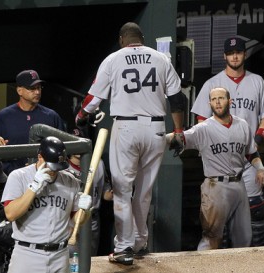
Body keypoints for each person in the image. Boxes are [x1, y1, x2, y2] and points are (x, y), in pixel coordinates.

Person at [74, 22, 185, 265]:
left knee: (123, 190)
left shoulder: (113, 59)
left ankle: (124, 247)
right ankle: (140, 242)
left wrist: (81, 116)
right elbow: (177, 99)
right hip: (156, 128)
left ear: (122, 39)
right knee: (143, 193)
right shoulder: (160, 59)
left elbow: (94, 98)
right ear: (142, 38)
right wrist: (178, 131)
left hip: (125, 127)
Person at [191, 37, 264, 246]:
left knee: (255, 208)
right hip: (220, 161)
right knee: (221, 214)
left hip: (246, 158)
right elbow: (201, 118)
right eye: (230, 53)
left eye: (238, 52)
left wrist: (257, 138)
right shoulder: (212, 84)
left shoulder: (257, 81)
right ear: (224, 56)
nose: (235, 56)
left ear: (244, 54)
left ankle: (255, 258)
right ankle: (223, 261)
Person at [169, 87, 264, 250]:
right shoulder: (204, 128)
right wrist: (157, 139)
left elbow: (251, 152)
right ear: (210, 103)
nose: (217, 102)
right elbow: (180, 139)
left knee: (244, 239)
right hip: (216, 186)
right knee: (212, 237)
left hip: (239, 184)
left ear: (230, 101)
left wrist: (260, 168)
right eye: (214, 99)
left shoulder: (242, 124)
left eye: (221, 98)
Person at [1, 136, 92, 273]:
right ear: (40, 157)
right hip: (28, 256)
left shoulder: (70, 181)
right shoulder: (18, 176)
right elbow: (10, 214)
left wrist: (85, 211)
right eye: (52, 166)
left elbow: (75, 221)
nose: (54, 171)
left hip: (60, 256)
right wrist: (33, 188)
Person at [0, 69, 65, 175]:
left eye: (39, 88)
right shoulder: (5, 116)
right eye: (32, 88)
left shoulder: (51, 116)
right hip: (12, 177)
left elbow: (63, 148)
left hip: (46, 176)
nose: (37, 92)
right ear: (19, 91)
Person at [66, 128, 112, 256]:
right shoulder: (61, 168)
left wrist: (115, 194)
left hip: (91, 219)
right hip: (68, 219)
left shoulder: (98, 164)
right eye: (74, 143)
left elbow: (105, 193)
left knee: (90, 260)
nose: (78, 148)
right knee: (69, 261)